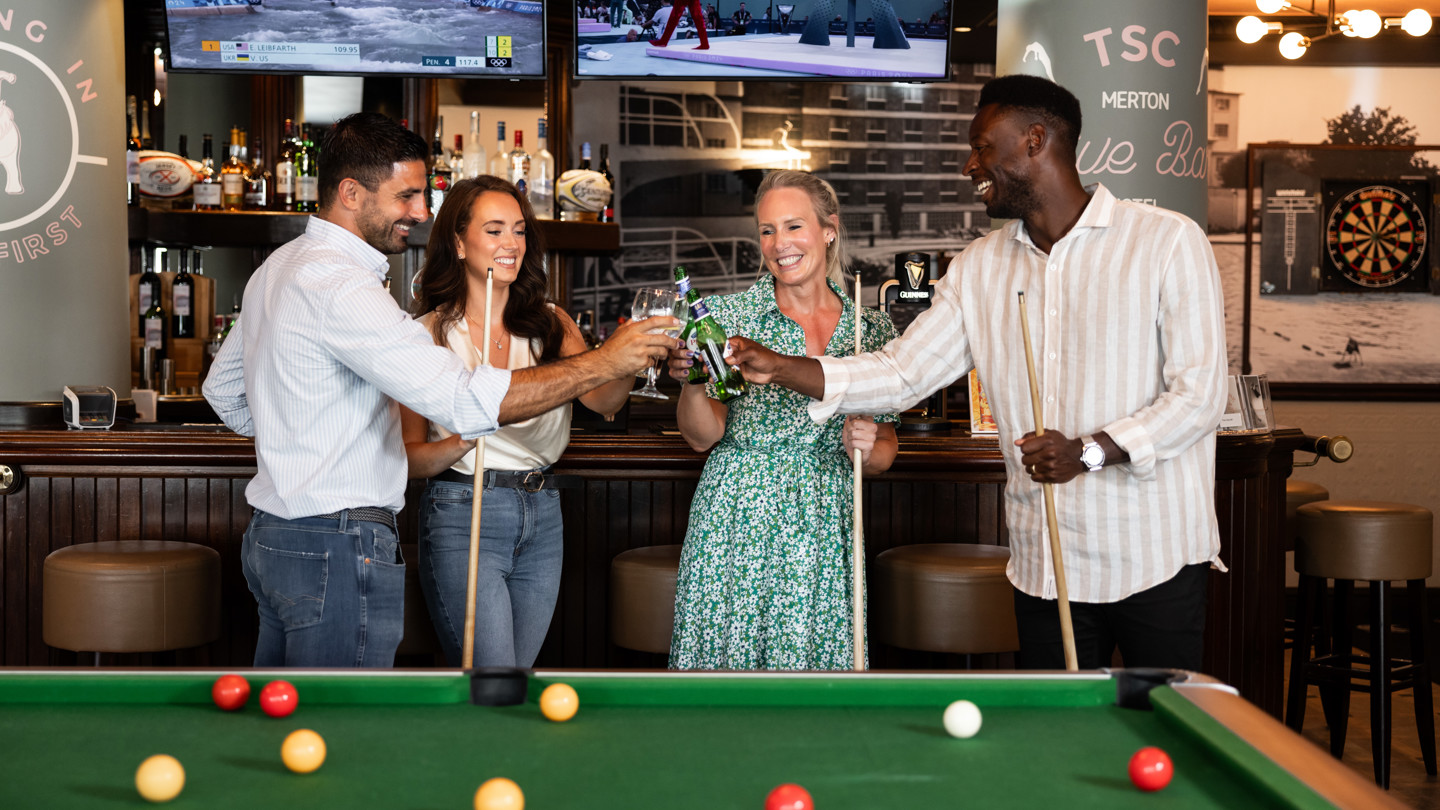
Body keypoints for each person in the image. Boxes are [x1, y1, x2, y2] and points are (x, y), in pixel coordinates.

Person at [725, 75, 1228, 673]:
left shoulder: (1167, 241)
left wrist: (1089, 452)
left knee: (1160, 736)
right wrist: (782, 367)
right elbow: (903, 373)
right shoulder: (979, 266)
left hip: (1154, 553)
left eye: (983, 146)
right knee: (1050, 745)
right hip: (1045, 563)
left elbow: (1199, 397)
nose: (970, 164)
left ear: (1035, 140)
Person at [203, 113, 675, 669]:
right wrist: (606, 359)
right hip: (338, 536)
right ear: (351, 193)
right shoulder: (346, 287)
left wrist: (302, 435)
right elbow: (464, 401)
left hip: (278, 535)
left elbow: (225, 390)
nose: (420, 211)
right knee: (336, 727)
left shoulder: (280, 265)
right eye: (407, 196)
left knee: (286, 718)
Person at [666, 170, 899, 670]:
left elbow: (883, 456)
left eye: (794, 227)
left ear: (829, 229)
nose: (779, 244)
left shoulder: (870, 327)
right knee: (728, 667)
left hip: (826, 511)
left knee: (816, 667)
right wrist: (690, 381)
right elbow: (701, 436)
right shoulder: (729, 316)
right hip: (738, 511)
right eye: (767, 230)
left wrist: (868, 440)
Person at [400, 177, 632, 668]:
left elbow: (603, 400)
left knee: (516, 679)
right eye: (495, 229)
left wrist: (624, 359)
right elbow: (411, 458)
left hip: (543, 511)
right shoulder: (425, 336)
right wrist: (466, 436)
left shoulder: (552, 322)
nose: (511, 244)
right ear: (460, 243)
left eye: (520, 231)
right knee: (491, 677)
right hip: (465, 510)